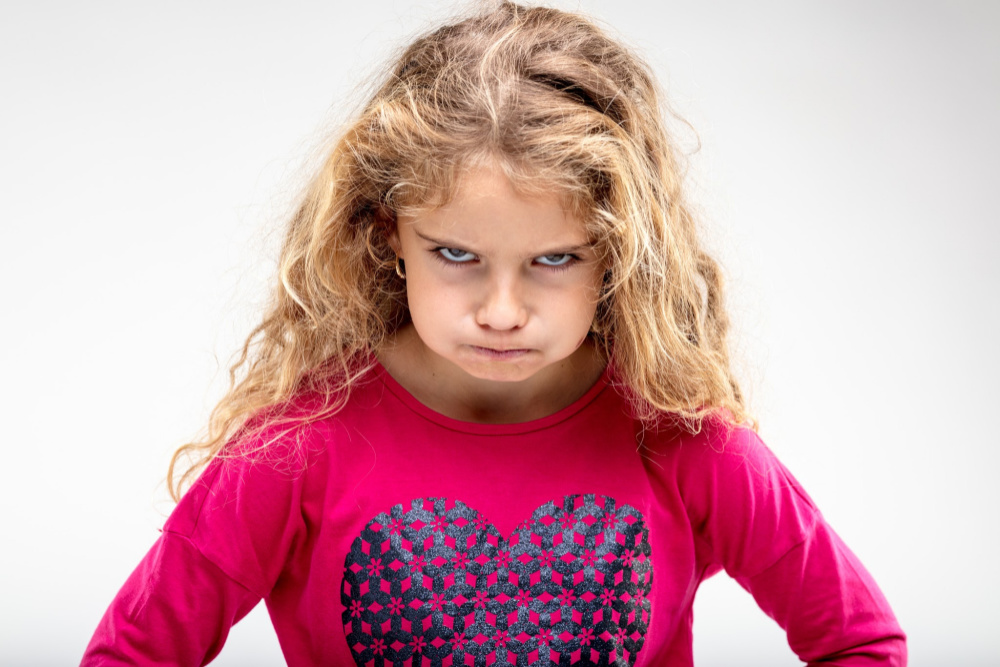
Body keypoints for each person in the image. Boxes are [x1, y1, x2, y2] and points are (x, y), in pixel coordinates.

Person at [82, 2, 906, 665]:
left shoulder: (685, 441)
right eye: (456, 254)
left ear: (620, 255)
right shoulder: (292, 454)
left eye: (553, 257)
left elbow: (862, 644)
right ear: (385, 235)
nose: (502, 310)